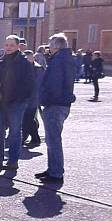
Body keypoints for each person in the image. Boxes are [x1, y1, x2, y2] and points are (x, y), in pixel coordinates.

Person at [36, 33, 76, 184]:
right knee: (53, 140)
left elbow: (54, 84)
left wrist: (45, 99)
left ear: (55, 46)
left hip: (55, 104)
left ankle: (56, 172)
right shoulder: (64, 59)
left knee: (53, 140)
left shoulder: (59, 61)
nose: (49, 48)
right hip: (60, 103)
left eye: (50, 45)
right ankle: (53, 169)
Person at [0, 35, 34, 171]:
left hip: (16, 103)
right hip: (0, 103)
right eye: (7, 45)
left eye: (11, 45)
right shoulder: (0, 62)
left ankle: (13, 161)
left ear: (18, 46)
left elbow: (30, 84)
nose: (8, 47)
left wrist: (22, 99)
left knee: (15, 132)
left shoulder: (24, 63)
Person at [22, 50, 45, 147]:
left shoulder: (38, 68)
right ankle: (35, 138)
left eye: (29, 58)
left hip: (33, 98)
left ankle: (23, 138)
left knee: (27, 119)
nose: (28, 60)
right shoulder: (23, 68)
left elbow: (38, 83)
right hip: (26, 97)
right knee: (29, 119)